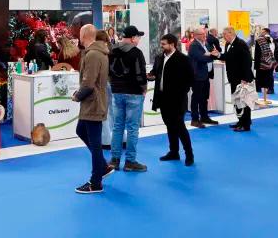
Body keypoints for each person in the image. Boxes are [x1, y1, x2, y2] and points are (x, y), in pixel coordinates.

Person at [72, 26, 115, 194]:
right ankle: (103, 167)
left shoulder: (93, 54)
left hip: (93, 102)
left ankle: (96, 182)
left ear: (84, 36)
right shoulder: (99, 53)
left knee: (95, 143)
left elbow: (88, 84)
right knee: (81, 130)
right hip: (94, 101)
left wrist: (77, 96)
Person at [108, 25, 149, 172]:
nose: (138, 39)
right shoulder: (136, 53)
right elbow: (140, 74)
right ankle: (130, 161)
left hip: (117, 92)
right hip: (133, 93)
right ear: (132, 38)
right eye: (138, 37)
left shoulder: (112, 50)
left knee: (117, 127)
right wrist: (144, 88)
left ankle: (114, 160)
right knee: (132, 129)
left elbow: (109, 72)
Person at [151, 34, 195, 166]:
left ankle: (189, 154)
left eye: (164, 44)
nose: (162, 46)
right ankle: (174, 151)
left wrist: (181, 92)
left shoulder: (183, 59)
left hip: (177, 99)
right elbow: (155, 71)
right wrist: (151, 76)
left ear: (172, 44)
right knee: (169, 125)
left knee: (180, 126)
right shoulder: (159, 58)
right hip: (162, 98)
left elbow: (190, 78)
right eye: (161, 43)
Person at [218, 27, 255, 132]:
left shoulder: (241, 44)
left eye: (224, 34)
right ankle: (240, 121)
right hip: (233, 78)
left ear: (230, 33)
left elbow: (247, 62)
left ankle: (246, 124)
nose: (223, 37)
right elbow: (228, 57)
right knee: (237, 101)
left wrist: (245, 78)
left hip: (241, 79)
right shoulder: (227, 44)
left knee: (244, 102)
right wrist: (219, 55)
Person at [187, 27, 219, 128]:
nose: (205, 36)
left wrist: (210, 54)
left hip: (206, 75)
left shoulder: (206, 44)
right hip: (197, 76)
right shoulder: (194, 45)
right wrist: (211, 55)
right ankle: (194, 119)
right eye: (202, 34)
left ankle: (204, 117)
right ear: (196, 35)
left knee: (204, 97)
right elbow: (201, 58)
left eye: (205, 34)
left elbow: (213, 52)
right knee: (196, 97)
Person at [254, 30, 277, 105]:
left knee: (266, 79)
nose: (261, 32)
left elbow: (271, 52)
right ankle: (263, 97)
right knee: (264, 80)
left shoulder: (266, 40)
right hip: (266, 63)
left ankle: (266, 96)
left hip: (265, 64)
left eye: (263, 31)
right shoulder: (264, 40)